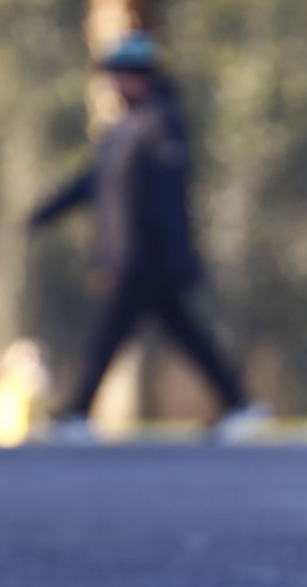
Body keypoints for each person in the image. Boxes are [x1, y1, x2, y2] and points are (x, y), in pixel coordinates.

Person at [29, 31, 269, 446]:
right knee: (182, 334)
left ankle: (77, 412)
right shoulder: (127, 126)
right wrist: (48, 211)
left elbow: (169, 198)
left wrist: (179, 255)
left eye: (120, 76)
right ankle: (239, 405)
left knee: (110, 335)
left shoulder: (160, 122)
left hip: (146, 258)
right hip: (129, 256)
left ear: (139, 77)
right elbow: (94, 182)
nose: (115, 84)